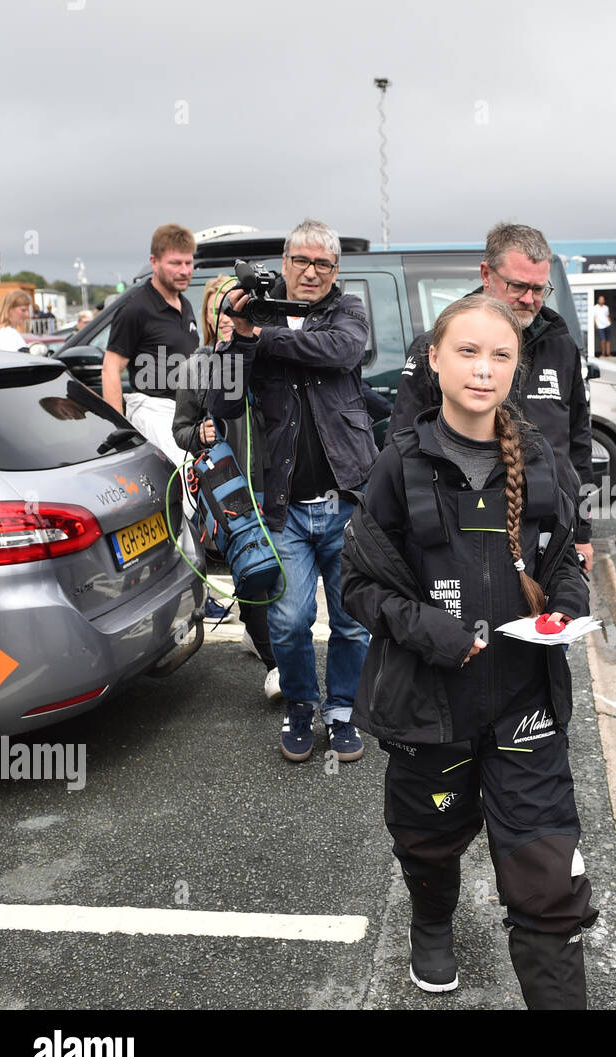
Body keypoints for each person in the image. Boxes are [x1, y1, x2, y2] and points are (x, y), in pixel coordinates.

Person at [341, 294, 597, 1007]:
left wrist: (569, 606)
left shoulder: (543, 461)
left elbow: (565, 565)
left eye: (501, 356)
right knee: (426, 842)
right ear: (433, 359)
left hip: (525, 708)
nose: (484, 369)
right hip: (431, 710)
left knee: (550, 884)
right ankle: (432, 924)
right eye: (468, 352)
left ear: (517, 368)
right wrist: (432, 632)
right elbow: (358, 583)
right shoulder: (397, 468)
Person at [208, 218, 376, 764]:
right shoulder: (252, 315)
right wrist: (238, 338)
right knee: (288, 618)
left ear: (334, 271)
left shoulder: (345, 311)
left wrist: (264, 333)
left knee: (352, 619)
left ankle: (344, 710)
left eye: (322, 264)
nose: (310, 271)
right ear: (284, 263)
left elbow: (341, 352)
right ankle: (302, 704)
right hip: (282, 507)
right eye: (300, 261)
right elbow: (223, 405)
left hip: (347, 499)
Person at [385, 223, 595, 575]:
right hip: (463, 534)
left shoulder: (562, 346)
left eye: (539, 289)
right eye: (517, 286)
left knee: (554, 623)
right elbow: (402, 442)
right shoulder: (438, 347)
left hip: (548, 531)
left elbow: (578, 445)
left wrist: (583, 532)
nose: (529, 299)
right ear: (487, 274)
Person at [173, 275, 281, 702]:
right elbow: (179, 430)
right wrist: (196, 435)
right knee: (252, 575)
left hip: (273, 483)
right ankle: (275, 665)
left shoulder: (264, 360)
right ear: (208, 315)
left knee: (280, 575)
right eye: (221, 307)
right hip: (227, 492)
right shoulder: (196, 366)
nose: (228, 316)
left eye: (238, 306)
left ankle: (260, 638)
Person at [100, 225, 200, 479]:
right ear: (154, 262)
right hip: (152, 412)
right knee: (186, 487)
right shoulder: (136, 308)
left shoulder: (184, 304)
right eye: (175, 263)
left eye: (189, 262)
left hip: (186, 416)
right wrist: (119, 429)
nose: (185, 271)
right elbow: (111, 368)